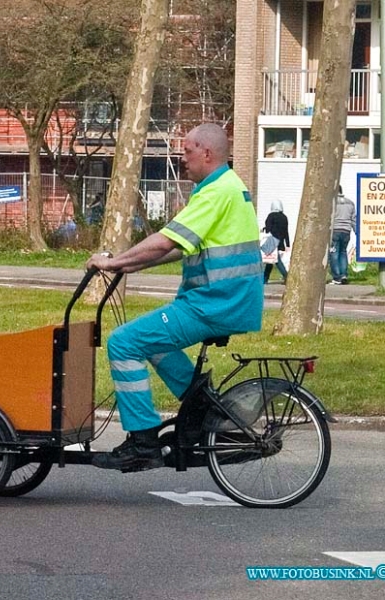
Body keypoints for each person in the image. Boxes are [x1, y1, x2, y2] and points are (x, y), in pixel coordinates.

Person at [85, 123, 264, 472]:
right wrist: (129, 267)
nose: (181, 159)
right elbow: (180, 247)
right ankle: (205, 408)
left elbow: (166, 241)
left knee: (123, 342)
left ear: (207, 154)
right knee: (150, 341)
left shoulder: (216, 192)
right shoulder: (225, 186)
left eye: (187, 151)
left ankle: (143, 440)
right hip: (223, 300)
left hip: (216, 302)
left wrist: (115, 261)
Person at [329, 185, 356, 285]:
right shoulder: (350, 203)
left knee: (334, 254)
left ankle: (337, 277)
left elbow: (329, 218)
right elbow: (354, 219)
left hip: (335, 230)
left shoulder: (331, 203)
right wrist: (356, 231)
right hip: (346, 231)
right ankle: (344, 274)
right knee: (343, 252)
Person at [262, 200, 290, 284]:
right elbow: (286, 231)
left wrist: (263, 230)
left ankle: (287, 277)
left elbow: (268, 228)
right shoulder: (284, 217)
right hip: (280, 241)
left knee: (276, 260)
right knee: (270, 260)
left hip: (272, 241)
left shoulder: (271, 216)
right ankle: (265, 278)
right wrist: (287, 243)